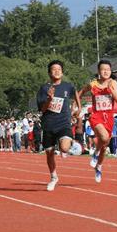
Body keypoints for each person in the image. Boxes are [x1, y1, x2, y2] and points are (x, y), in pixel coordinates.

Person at [36, 60, 82, 191]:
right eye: (53, 69)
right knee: (49, 153)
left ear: (62, 72)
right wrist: (49, 99)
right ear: (49, 73)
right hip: (49, 124)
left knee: (65, 149)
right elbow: (43, 109)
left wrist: (78, 107)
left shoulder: (68, 86)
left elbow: (76, 93)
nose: (56, 71)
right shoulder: (44, 88)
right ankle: (53, 177)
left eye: (59, 69)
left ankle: (70, 143)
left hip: (63, 122)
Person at [78, 60, 117, 183]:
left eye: (108, 69)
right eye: (103, 69)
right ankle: (95, 152)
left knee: (105, 144)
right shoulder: (93, 84)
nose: (106, 71)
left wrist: (111, 90)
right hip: (96, 116)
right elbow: (80, 91)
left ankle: (99, 166)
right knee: (103, 136)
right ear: (98, 71)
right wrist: (77, 103)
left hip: (109, 117)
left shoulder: (113, 82)